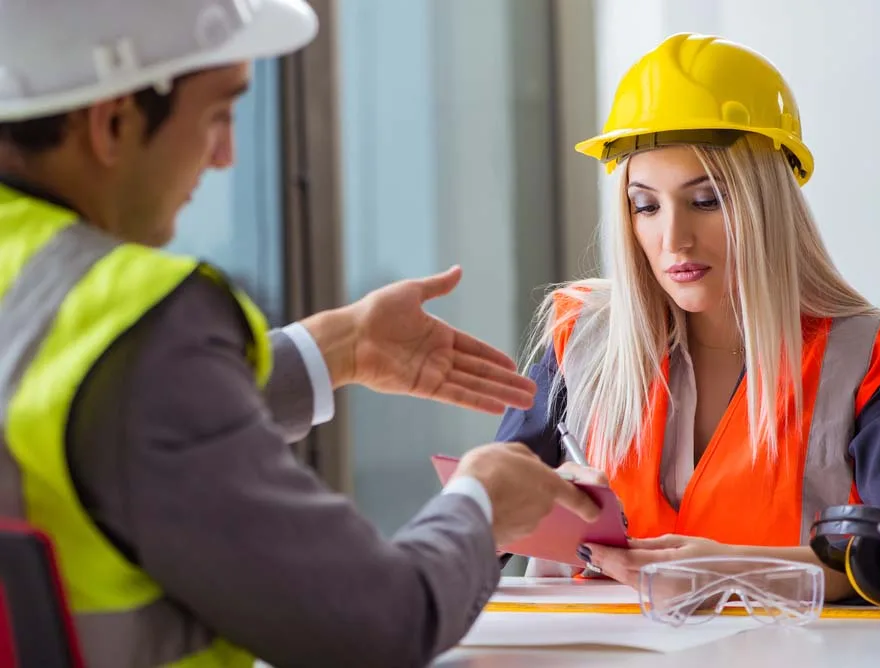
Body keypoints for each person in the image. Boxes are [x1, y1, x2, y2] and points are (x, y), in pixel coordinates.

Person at [0, 1, 601, 666]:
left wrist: (338, 349)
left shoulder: (43, 291)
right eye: (220, 115)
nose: (226, 157)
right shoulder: (140, 321)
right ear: (112, 122)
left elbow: (91, 423)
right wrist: (484, 504)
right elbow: (376, 623)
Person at [495, 32, 880, 600]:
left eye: (707, 200)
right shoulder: (581, 339)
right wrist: (519, 509)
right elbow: (474, 535)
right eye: (646, 206)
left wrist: (734, 568)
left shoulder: (863, 355)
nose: (673, 239)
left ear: (767, 204)